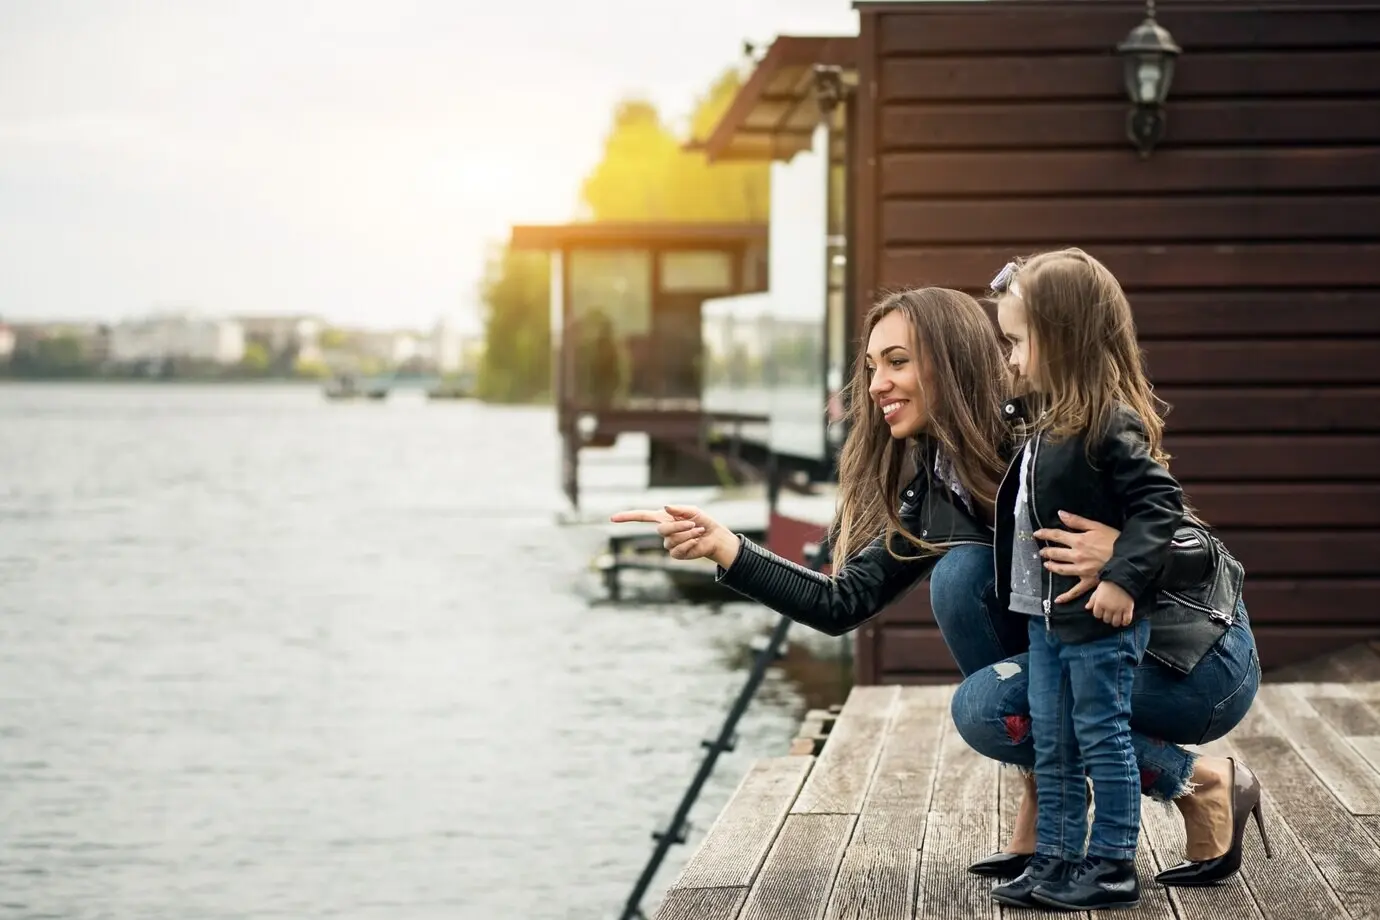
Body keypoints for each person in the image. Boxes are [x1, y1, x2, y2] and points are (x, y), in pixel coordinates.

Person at [610, 279, 1266, 890]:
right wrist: (728, 548)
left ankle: (1201, 784)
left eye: (896, 361)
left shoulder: (1052, 438)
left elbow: (1201, 554)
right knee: (961, 576)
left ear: (949, 362)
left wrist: (1124, 552)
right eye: (870, 367)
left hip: (1197, 665)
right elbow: (842, 603)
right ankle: (1048, 813)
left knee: (988, 708)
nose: (876, 384)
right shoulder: (939, 487)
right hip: (1096, 659)